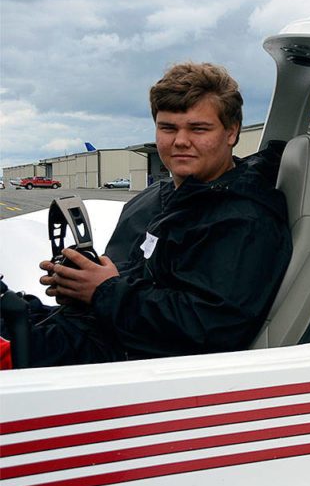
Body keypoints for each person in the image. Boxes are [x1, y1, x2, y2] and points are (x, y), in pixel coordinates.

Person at [1, 62, 292, 367]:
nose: (180, 141)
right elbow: (129, 282)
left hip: (123, 364)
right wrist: (78, 285)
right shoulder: (154, 199)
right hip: (87, 330)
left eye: (198, 129)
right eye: (168, 128)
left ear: (231, 133)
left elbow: (209, 328)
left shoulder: (244, 220)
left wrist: (103, 290)